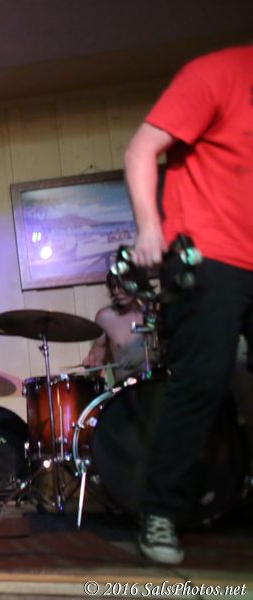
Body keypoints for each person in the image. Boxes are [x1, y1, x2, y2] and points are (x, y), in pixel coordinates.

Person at [124, 44, 253, 565]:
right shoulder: (217, 73)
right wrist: (149, 228)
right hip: (210, 255)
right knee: (204, 381)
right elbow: (141, 149)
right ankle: (159, 512)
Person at [82, 272, 156, 384]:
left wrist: (143, 356)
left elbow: (171, 351)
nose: (116, 291)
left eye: (122, 285)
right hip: (126, 389)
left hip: (159, 384)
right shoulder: (105, 317)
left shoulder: (155, 312)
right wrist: (93, 363)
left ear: (137, 283)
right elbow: (98, 353)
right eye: (113, 286)